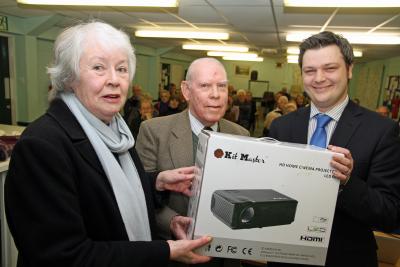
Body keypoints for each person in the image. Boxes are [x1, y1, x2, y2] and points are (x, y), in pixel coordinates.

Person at [4, 21, 212, 267]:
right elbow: (62, 256)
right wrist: (164, 250)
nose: (115, 80)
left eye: (122, 69)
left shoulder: (116, 132)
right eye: (99, 68)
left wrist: (156, 182)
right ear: (70, 77)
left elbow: (103, 192)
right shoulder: (42, 145)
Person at [268, 31, 400, 267]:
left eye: (329, 68)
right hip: (284, 256)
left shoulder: (382, 130)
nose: (319, 78)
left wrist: (348, 182)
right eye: (310, 71)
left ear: (349, 70)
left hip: (346, 258)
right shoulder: (281, 127)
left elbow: (390, 215)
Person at [135, 57, 249, 266]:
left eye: (222, 86)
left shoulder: (241, 135)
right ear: (186, 91)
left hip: (225, 257)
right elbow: (140, 195)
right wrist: (172, 222)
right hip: (173, 253)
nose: (215, 94)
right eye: (205, 86)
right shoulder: (154, 131)